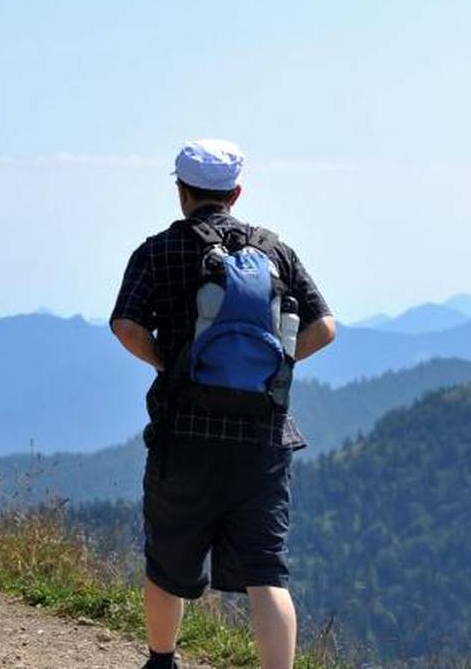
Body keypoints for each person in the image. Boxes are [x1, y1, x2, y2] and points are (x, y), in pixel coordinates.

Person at [109, 139, 336, 669]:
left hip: (183, 434)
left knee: (167, 559)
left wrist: (168, 363)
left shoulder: (159, 250)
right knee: (266, 572)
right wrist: (280, 364)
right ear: (236, 192)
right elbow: (324, 327)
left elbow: (125, 325)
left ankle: (163, 662)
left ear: (181, 192)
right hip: (263, 437)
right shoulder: (274, 251)